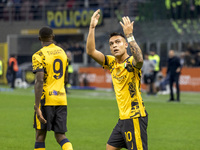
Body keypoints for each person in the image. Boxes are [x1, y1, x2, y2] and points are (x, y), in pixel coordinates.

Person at [86, 9, 148, 150]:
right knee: (110, 148)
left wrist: (130, 35)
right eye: (111, 43)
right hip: (123, 118)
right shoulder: (111, 62)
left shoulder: (131, 62)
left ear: (125, 45)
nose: (114, 45)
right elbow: (90, 51)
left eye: (118, 42)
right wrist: (92, 27)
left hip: (135, 117)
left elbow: (139, 59)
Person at [32, 26, 73, 150]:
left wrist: (37, 105)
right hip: (61, 99)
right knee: (60, 135)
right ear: (53, 37)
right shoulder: (62, 52)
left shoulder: (38, 55)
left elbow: (39, 81)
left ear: (39, 38)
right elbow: (65, 79)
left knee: (40, 135)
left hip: (46, 99)